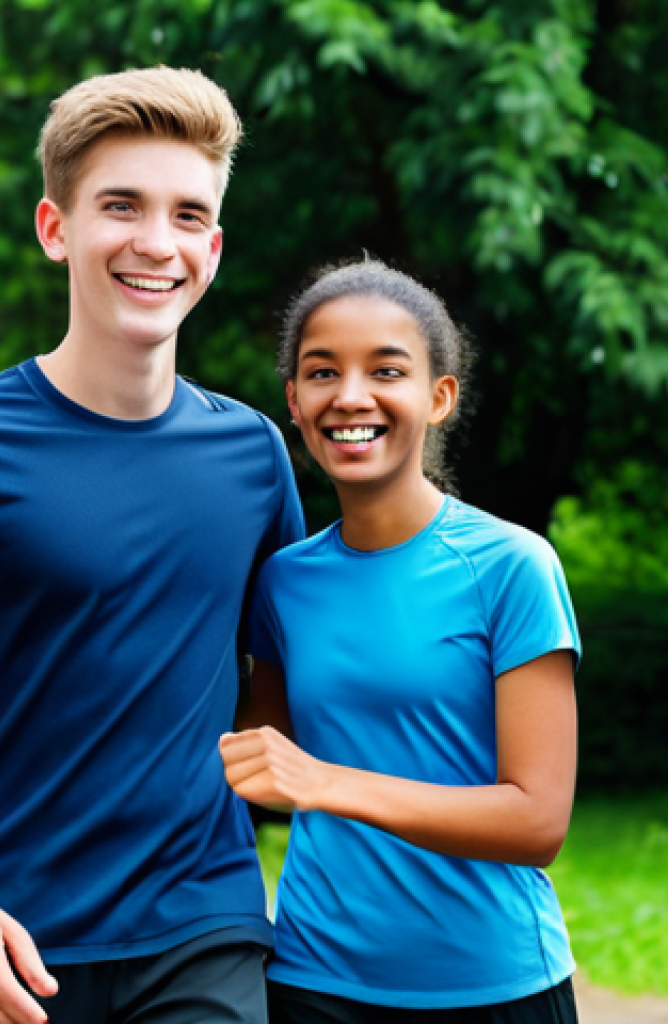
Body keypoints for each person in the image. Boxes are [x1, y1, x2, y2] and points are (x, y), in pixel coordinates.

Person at [0, 66, 304, 1024]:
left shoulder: (253, 455)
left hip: (199, 931)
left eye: (185, 216)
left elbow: (289, 677)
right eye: (120, 206)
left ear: (212, 247)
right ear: (55, 228)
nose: (153, 243)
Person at [220, 260, 580, 1024]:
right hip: (315, 983)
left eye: (386, 370)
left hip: (495, 986)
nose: (351, 397)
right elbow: (262, 758)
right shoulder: (282, 582)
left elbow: (537, 821)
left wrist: (328, 784)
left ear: (439, 397)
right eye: (322, 373)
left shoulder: (512, 567)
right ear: (295, 401)